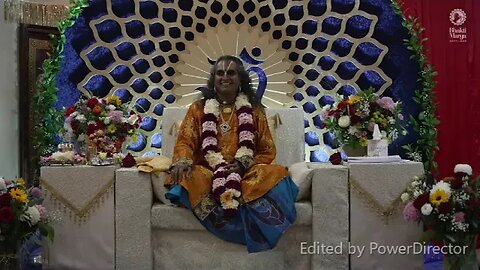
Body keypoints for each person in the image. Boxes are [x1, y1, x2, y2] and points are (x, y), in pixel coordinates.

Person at [165, 55, 299, 253]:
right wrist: (183, 160)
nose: (225, 77)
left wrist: (243, 163)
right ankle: (222, 217)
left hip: (245, 171)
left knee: (276, 172)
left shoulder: (254, 110)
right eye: (220, 73)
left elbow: (267, 149)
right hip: (209, 171)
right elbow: (186, 140)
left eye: (231, 73)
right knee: (189, 175)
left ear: (240, 79)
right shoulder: (198, 109)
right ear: (213, 79)